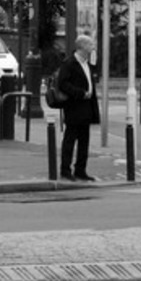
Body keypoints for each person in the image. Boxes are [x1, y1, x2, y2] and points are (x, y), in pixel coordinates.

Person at [54, 33, 100, 182]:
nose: (92, 48)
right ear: (82, 47)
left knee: (84, 140)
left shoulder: (87, 63)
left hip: (86, 107)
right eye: (90, 45)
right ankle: (65, 169)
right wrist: (80, 93)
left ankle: (81, 169)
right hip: (74, 106)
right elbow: (63, 84)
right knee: (70, 139)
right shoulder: (69, 63)